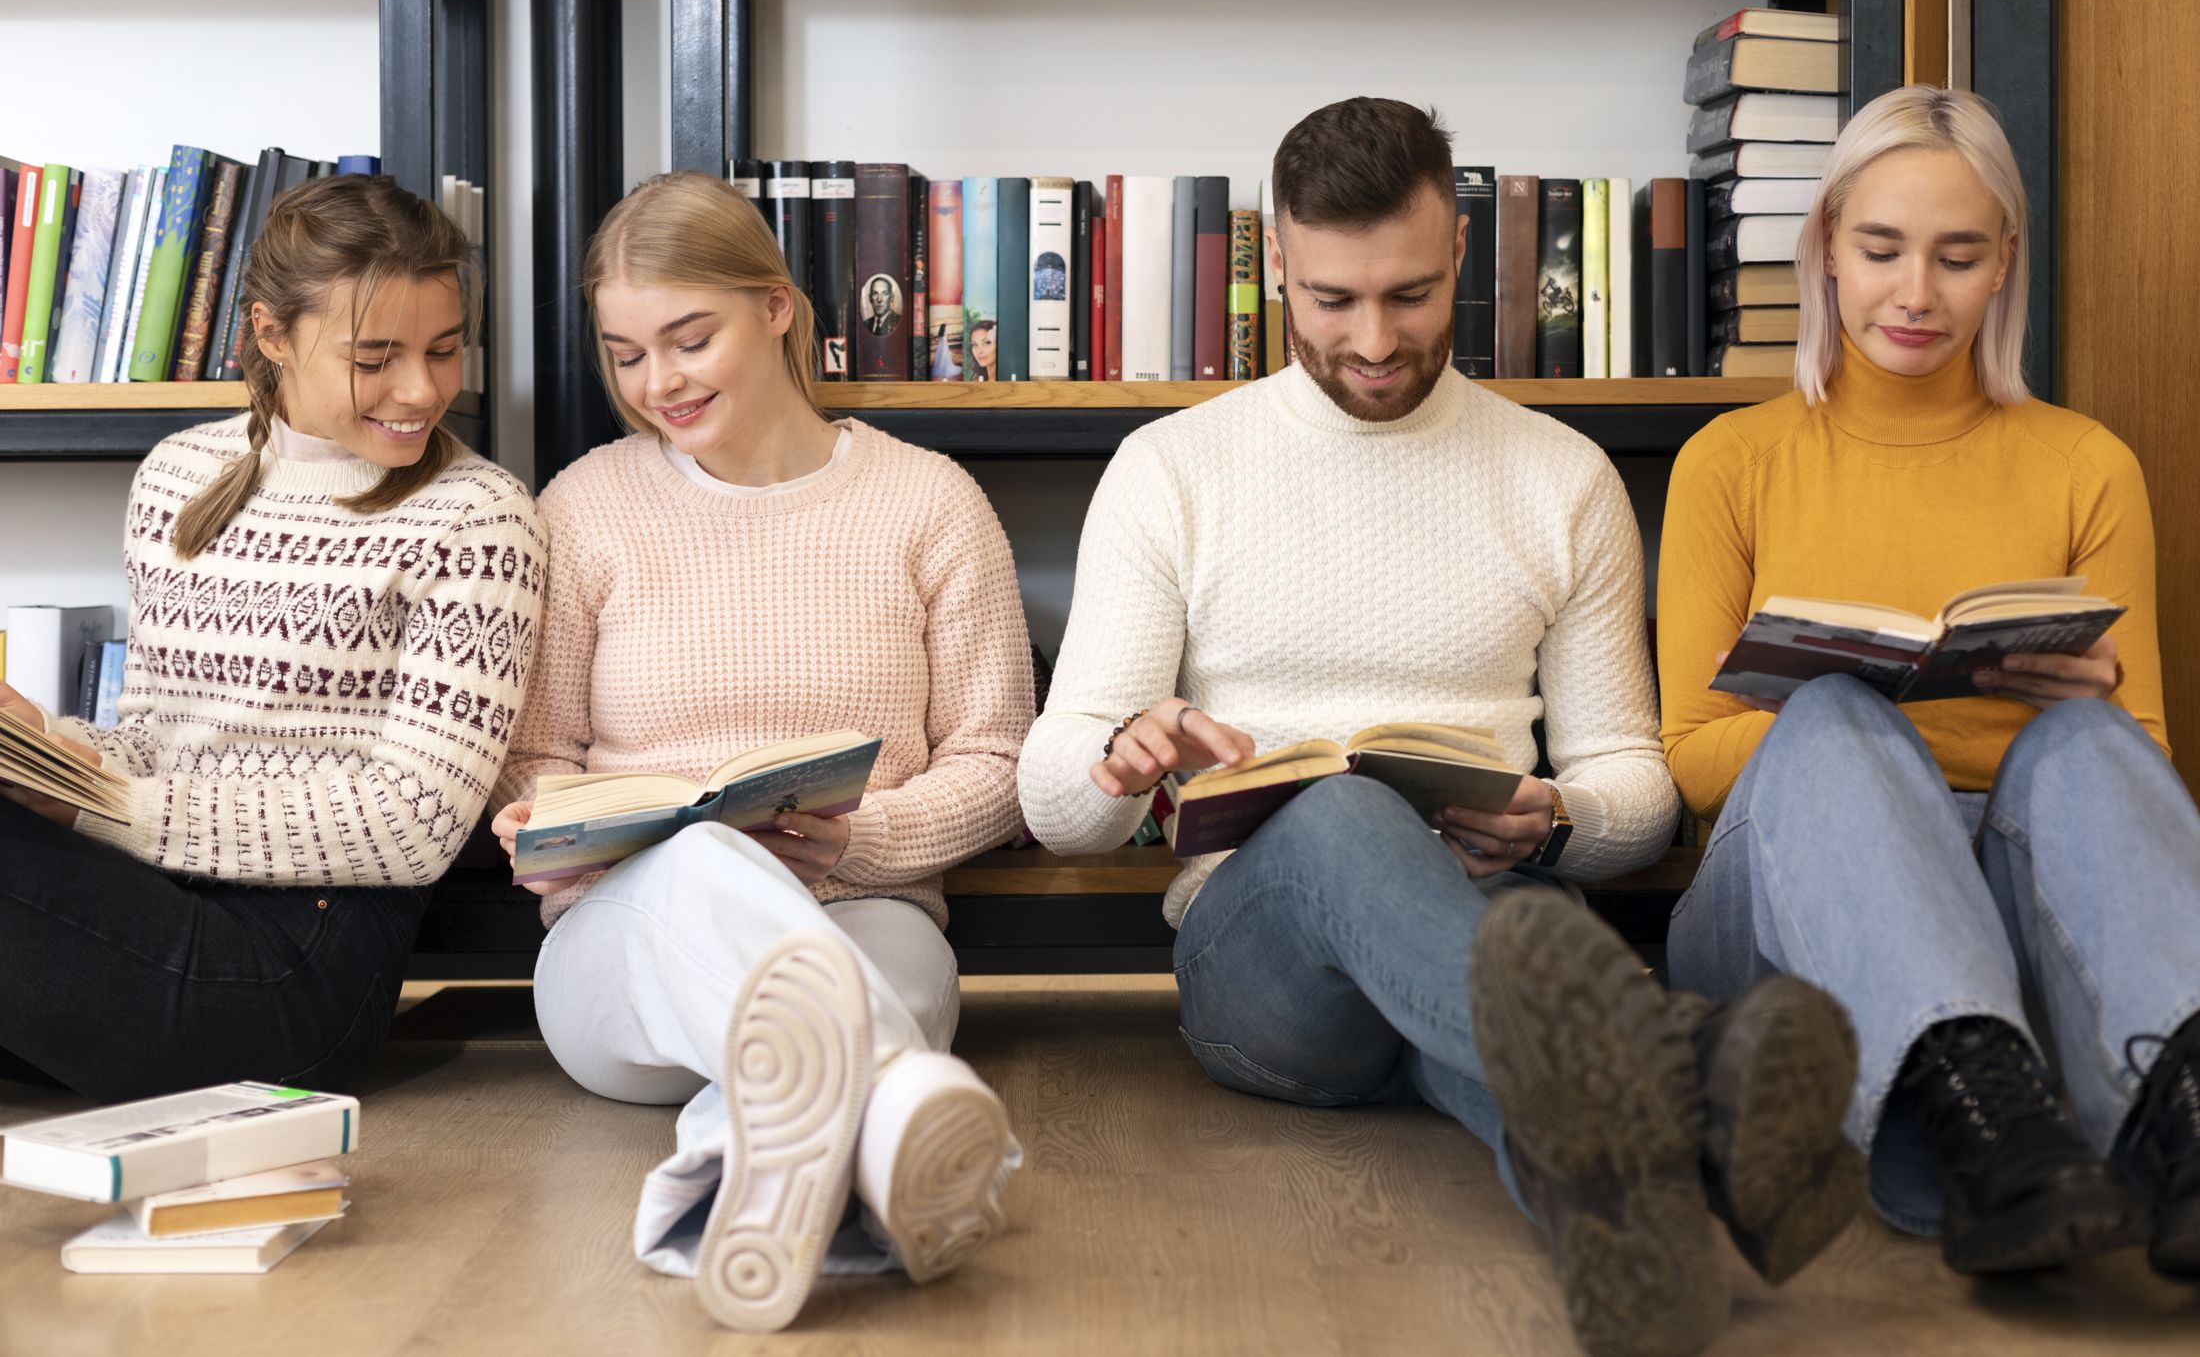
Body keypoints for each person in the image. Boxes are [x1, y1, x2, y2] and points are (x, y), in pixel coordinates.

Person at [1019, 97, 1863, 1357]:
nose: (1370, 340)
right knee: (1343, 804)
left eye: (1409, 297)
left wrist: (1558, 820)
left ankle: (1634, 1243)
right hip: (1266, 979)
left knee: (1534, 1023)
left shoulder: (1556, 478)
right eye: (1331, 301)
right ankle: (1685, 1059)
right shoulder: (1173, 469)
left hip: (1496, 926)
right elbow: (1049, 804)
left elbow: (1629, 782)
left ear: (1461, 255)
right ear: (1279, 271)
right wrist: (1115, 759)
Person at [1658, 83, 2200, 1282]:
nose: (1916, 294)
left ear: (2005, 261)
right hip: (1781, 900)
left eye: (1957, 257)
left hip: (2003, 885)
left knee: (2092, 748)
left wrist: (2079, 704)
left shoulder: (2084, 466)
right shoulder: (1730, 463)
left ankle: (2182, 1120)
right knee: (1840, 718)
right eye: (1882, 250)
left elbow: (2142, 766)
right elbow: (1692, 758)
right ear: (1827, 250)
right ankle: (1988, 1129)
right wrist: (1870, 734)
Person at [490, 171, 1033, 1332]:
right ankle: (898, 1120)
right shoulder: (586, 506)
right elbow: (536, 755)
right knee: (698, 865)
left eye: (690, 339)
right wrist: (551, 820)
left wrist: (859, 835)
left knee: (858, 994)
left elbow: (999, 766)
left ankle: (727, 1193)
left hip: (865, 908)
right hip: (621, 946)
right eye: (626, 354)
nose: (658, 384)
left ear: (777, 308)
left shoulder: (928, 505)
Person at [0, 175, 544, 1101]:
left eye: (445, 350)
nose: (421, 389)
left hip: (295, 966)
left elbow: (416, 824)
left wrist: (108, 807)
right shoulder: (179, 475)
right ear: (269, 334)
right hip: (156, 904)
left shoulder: (479, 518)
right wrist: (51, 752)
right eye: (376, 357)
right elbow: (160, 744)